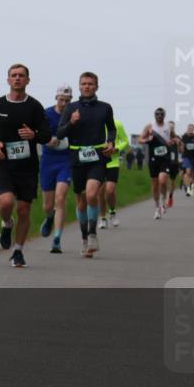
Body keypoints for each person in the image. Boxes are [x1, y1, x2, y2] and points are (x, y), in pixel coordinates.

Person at [0, 64, 52, 268]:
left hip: (28, 166)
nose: (18, 78)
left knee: (23, 209)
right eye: (14, 75)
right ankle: (7, 224)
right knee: (5, 203)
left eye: (22, 76)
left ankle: (18, 251)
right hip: (4, 163)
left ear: (28, 80)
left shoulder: (35, 107)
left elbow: (47, 135)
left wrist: (34, 135)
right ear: (8, 80)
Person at [56, 72, 115, 257]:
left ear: (97, 87)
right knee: (81, 201)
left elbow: (111, 128)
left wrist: (111, 142)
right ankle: (83, 238)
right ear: (79, 87)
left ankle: (92, 234)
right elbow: (60, 133)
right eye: (84, 84)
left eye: (91, 83)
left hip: (97, 157)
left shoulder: (105, 108)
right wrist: (72, 122)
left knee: (92, 194)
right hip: (77, 157)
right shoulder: (71, 108)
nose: (87, 86)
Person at [38, 85, 74, 254]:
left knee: (61, 198)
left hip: (66, 160)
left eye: (67, 101)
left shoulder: (74, 115)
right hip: (48, 161)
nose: (64, 103)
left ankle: (57, 239)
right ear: (56, 98)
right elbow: (38, 133)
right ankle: (49, 217)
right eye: (61, 100)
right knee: (48, 204)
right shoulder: (46, 114)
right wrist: (47, 140)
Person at [139, 108, 173, 219]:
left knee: (162, 180)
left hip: (165, 158)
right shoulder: (150, 126)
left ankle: (164, 200)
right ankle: (157, 208)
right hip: (153, 158)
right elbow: (140, 139)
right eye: (157, 114)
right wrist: (147, 140)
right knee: (155, 185)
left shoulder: (168, 126)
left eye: (161, 114)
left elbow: (174, 137)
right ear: (154, 116)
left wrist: (174, 140)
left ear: (164, 115)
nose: (159, 116)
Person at [98, 118, 129, 228]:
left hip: (113, 162)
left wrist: (116, 148)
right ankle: (102, 218)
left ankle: (112, 212)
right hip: (98, 162)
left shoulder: (117, 124)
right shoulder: (95, 123)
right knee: (100, 192)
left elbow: (125, 141)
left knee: (110, 190)